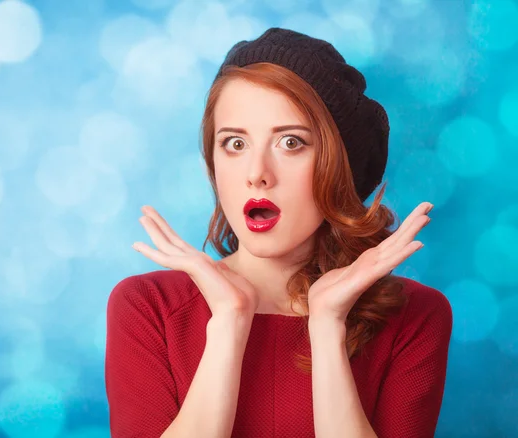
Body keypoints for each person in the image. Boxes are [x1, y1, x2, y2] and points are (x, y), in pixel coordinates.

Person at [105, 27, 453, 438]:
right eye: (234, 144)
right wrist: (229, 324)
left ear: (339, 165)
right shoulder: (149, 307)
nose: (257, 175)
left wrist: (327, 329)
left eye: (291, 142)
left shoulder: (414, 315)